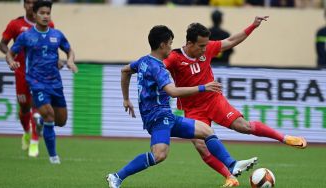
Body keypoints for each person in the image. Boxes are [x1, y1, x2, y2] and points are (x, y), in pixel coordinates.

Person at [106, 25, 257, 188]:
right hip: (158, 117)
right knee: (159, 155)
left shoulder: (143, 61)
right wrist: (203, 87)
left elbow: (125, 70)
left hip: (164, 116)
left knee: (206, 131)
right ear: (163, 45)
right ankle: (116, 176)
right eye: (170, 43)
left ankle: (232, 164)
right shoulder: (159, 68)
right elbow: (172, 91)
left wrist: (126, 99)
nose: (172, 47)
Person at [164, 18, 307, 181]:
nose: (205, 49)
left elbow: (231, 41)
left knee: (243, 126)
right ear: (189, 43)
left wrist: (253, 26)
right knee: (201, 146)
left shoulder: (208, 48)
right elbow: (156, 67)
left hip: (213, 101)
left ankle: (284, 138)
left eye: (206, 45)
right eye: (201, 46)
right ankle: (230, 177)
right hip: (193, 109)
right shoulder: (175, 57)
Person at [6, 0, 78, 164]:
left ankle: (39, 122)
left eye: (48, 13)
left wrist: (70, 60)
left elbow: (69, 50)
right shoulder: (26, 36)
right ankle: (53, 157)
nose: (45, 16)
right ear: (35, 14)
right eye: (42, 13)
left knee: (61, 121)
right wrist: (11, 61)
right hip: (37, 83)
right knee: (49, 115)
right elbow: (10, 52)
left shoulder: (57, 35)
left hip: (55, 83)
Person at [0, 0, 55, 157]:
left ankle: (35, 142)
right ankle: (26, 132)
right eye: (28, 2)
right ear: (24, 4)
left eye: (33, 3)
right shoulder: (15, 25)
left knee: (38, 108)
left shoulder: (49, 24)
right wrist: (11, 56)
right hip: (21, 73)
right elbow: (2, 44)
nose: (31, 5)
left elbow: (52, 45)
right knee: (24, 107)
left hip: (41, 74)